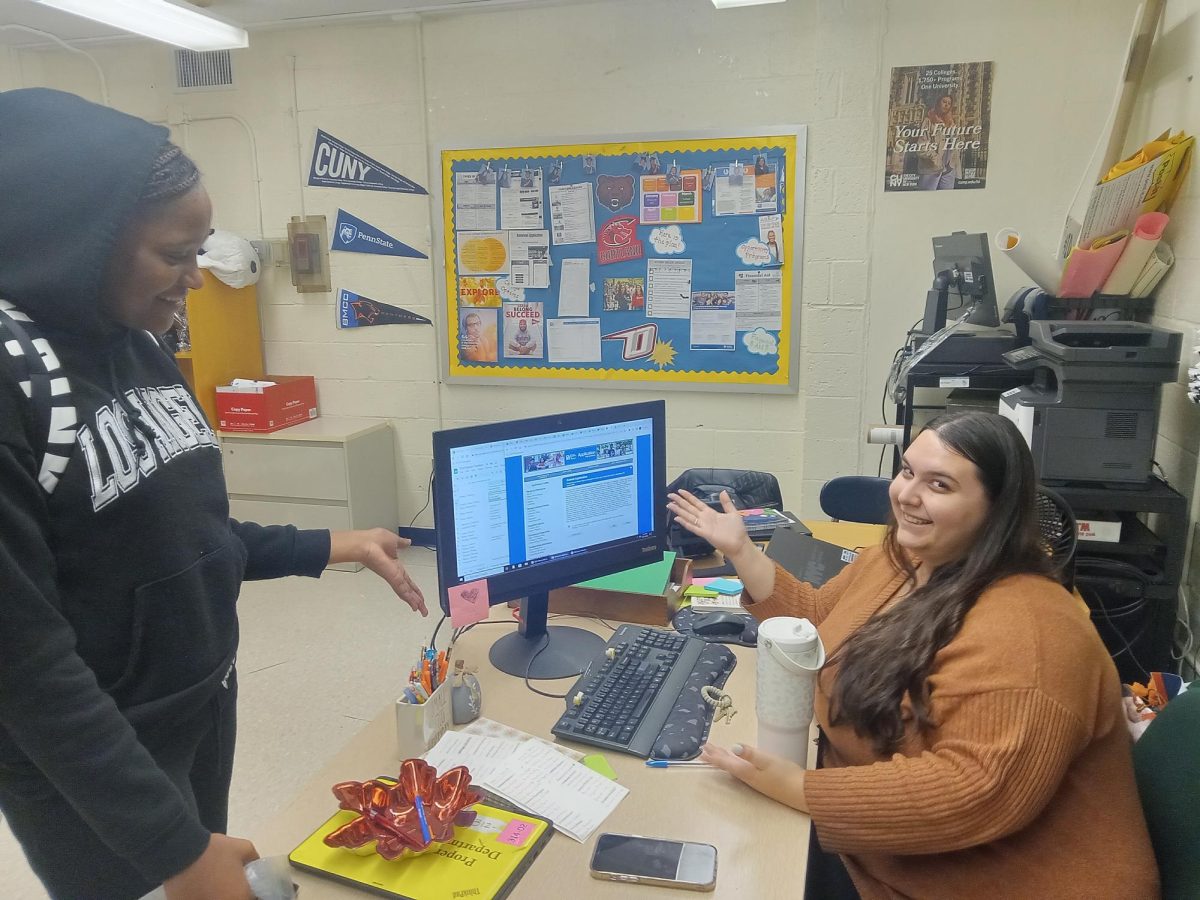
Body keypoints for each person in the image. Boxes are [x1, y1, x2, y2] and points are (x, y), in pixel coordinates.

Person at [0, 88, 428, 900]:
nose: (196, 279)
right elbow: (23, 665)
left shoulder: (135, 338)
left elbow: (181, 533)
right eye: (176, 254)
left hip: (194, 704)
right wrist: (177, 853)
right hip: (90, 758)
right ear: (76, 243)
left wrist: (328, 544)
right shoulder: (14, 375)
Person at [667, 411, 1159, 899]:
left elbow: (972, 792)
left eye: (940, 485)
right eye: (906, 471)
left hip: (987, 878)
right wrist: (740, 549)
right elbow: (821, 620)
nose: (907, 495)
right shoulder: (905, 556)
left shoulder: (1032, 632)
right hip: (882, 846)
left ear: (996, 507)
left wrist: (798, 788)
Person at [918, 92, 961, 190]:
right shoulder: (928, 121)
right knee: (927, 197)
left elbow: (956, 143)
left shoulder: (951, 123)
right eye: (944, 102)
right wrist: (935, 159)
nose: (946, 105)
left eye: (949, 103)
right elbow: (922, 146)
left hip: (949, 168)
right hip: (932, 166)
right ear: (938, 103)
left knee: (946, 198)